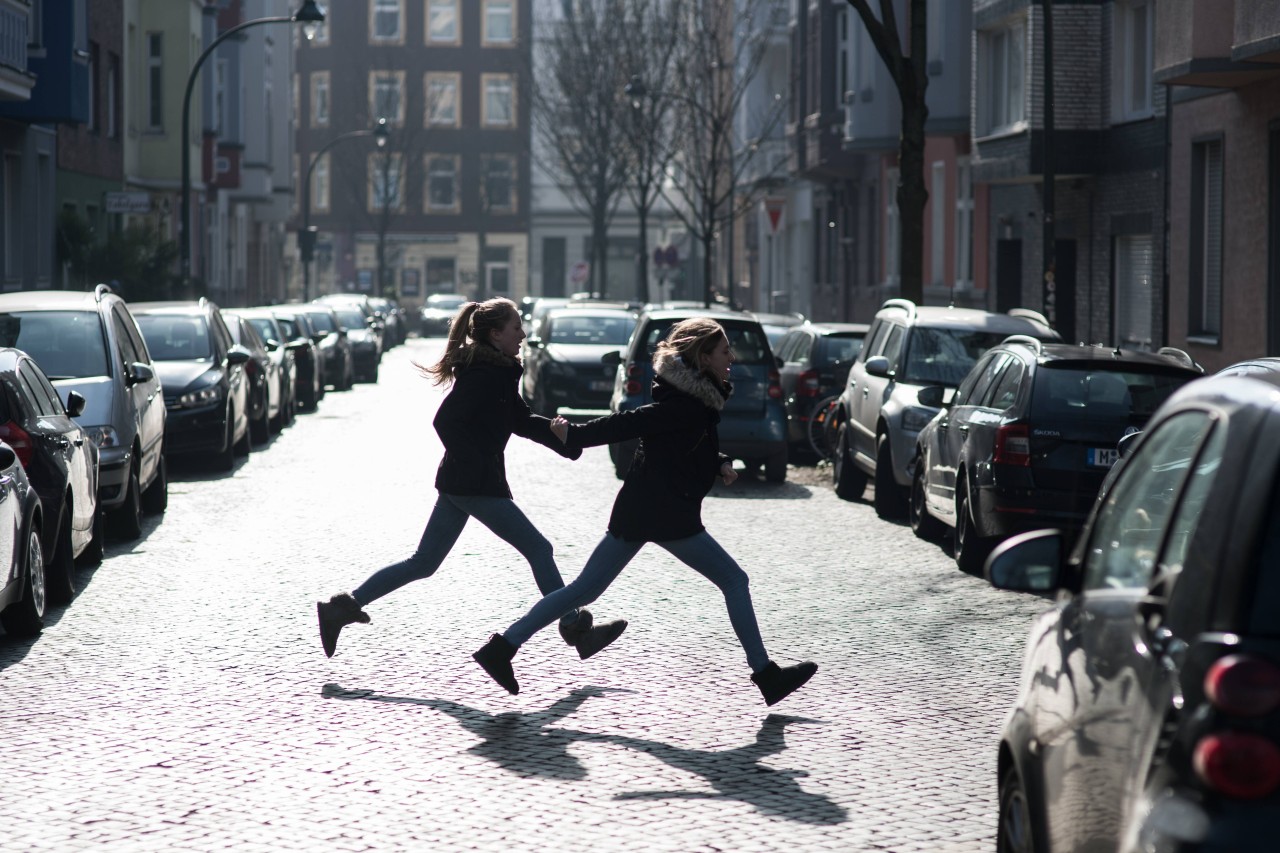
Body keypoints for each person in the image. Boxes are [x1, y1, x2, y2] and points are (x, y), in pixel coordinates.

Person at [472, 317, 817, 706]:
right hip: (664, 512)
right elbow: (632, 424)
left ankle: (501, 648)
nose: (731, 358)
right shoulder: (685, 403)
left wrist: (718, 462)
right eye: (724, 351)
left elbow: (683, 445)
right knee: (734, 580)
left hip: (649, 508)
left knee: (583, 590)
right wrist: (577, 435)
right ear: (702, 357)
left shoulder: (696, 399)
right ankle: (766, 675)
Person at [317, 297, 626, 660]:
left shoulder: (498, 372)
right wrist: (477, 464)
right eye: (515, 328)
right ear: (495, 334)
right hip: (474, 484)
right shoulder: (484, 375)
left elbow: (521, 421)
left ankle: (343, 607)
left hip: (461, 483)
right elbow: (444, 422)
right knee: (539, 549)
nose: (523, 334)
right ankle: (576, 629)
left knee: (424, 562)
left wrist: (566, 438)